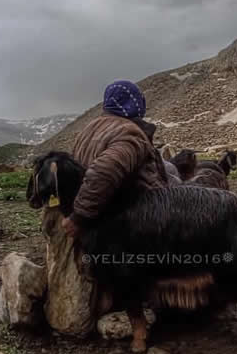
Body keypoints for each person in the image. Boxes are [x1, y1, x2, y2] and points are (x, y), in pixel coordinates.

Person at [61, 80, 168, 238]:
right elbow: (105, 170)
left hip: (100, 224)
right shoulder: (128, 132)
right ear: (134, 102)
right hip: (134, 224)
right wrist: (79, 217)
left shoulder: (90, 129)